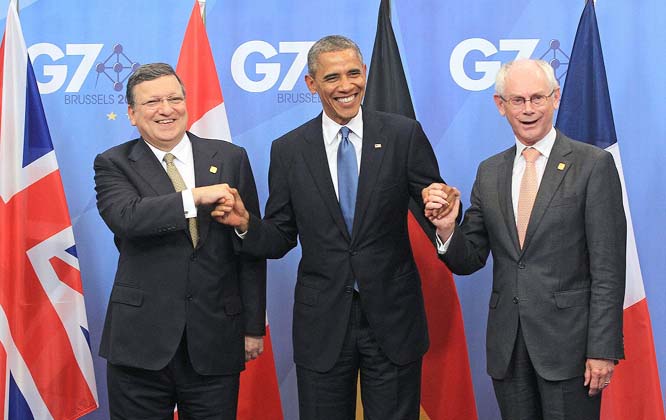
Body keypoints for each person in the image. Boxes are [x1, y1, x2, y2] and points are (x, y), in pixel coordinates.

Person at [215, 35, 455, 420]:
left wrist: (441, 207)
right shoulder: (289, 149)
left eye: (353, 73)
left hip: (392, 319)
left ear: (365, 75)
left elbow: (434, 200)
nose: (346, 86)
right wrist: (246, 225)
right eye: (332, 77)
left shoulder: (402, 134)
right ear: (312, 84)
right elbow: (280, 235)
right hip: (322, 323)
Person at [425, 59, 626, 420]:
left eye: (537, 98)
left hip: (572, 350)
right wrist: (446, 228)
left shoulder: (593, 165)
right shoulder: (490, 171)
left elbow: (608, 267)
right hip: (509, 349)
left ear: (555, 98)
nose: (529, 109)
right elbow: (468, 259)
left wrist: (603, 348)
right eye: (517, 100)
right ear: (500, 105)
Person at [93, 63, 266, 419]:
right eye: (153, 102)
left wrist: (252, 326)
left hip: (215, 338)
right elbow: (127, 218)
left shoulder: (231, 157)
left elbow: (247, 249)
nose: (166, 109)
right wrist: (195, 197)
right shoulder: (113, 163)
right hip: (141, 345)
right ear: (131, 114)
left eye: (174, 98)